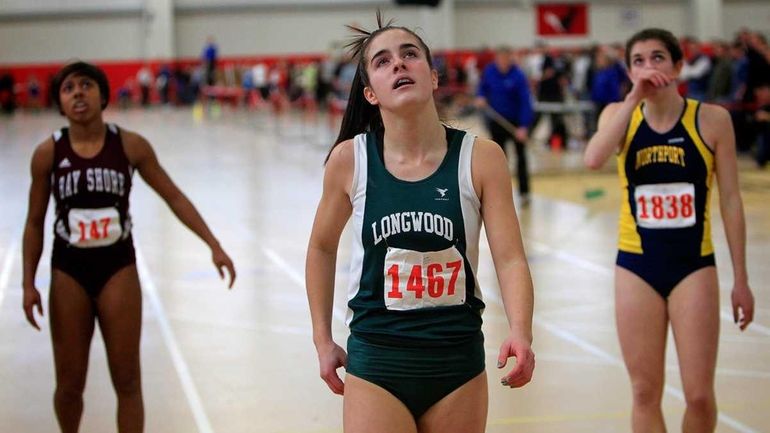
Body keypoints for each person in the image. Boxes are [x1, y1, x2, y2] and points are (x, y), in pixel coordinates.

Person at [305, 13, 535, 433]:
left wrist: (521, 329)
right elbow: (321, 248)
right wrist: (323, 340)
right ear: (370, 94)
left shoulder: (481, 158)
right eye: (382, 61)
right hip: (377, 361)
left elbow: (510, 257)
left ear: (432, 77)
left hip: (456, 362)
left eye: (409, 54)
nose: (398, 64)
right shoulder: (349, 161)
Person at [22, 61, 236, 433]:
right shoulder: (48, 154)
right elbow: (34, 221)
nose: (78, 93)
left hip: (117, 267)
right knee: (70, 384)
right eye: (68, 88)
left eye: (86, 85)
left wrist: (213, 244)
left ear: (103, 95)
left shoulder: (130, 145)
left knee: (128, 380)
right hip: (67, 270)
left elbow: (174, 196)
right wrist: (28, 283)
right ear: (59, 102)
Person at [584, 28, 754, 433]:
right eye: (638, 60)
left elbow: (731, 200)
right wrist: (631, 99)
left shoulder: (712, 120)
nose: (648, 67)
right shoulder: (619, 115)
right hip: (636, 268)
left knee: (698, 394)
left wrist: (742, 279)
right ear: (628, 70)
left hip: (693, 266)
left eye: (657, 57)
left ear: (679, 66)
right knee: (644, 391)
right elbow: (593, 159)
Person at [475, 46, 535, 204]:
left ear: (510, 59)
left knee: (521, 157)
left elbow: (525, 101)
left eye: (505, 59)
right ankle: (500, 193)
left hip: (515, 122)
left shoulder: (518, 75)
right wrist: (481, 97)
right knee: (499, 159)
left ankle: (524, 193)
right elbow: (482, 88)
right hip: (497, 121)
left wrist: (523, 126)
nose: (503, 63)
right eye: (500, 59)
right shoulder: (489, 72)